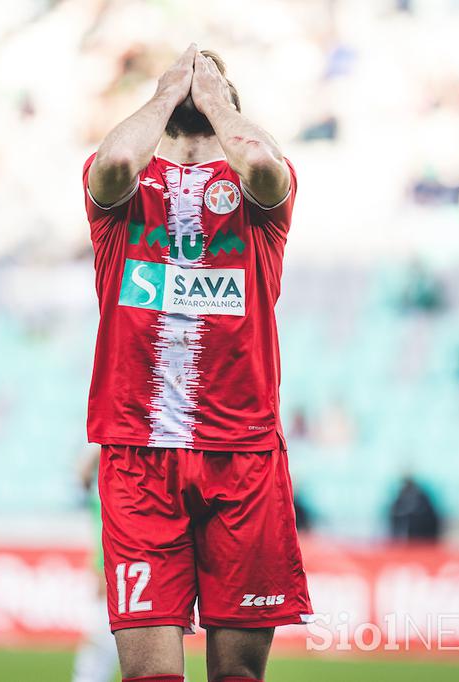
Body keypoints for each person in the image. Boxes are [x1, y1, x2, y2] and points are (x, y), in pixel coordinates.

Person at [83, 44, 312, 682]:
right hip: (139, 452)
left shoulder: (257, 198)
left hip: (241, 453)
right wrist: (165, 95)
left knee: (238, 676)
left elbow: (263, 158)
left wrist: (212, 97)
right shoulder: (121, 193)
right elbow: (121, 156)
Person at [71, 445, 120, 682]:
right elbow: (82, 470)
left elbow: (82, 471)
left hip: (121, 575)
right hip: (108, 576)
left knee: (97, 657)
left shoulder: (110, 493)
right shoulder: (104, 493)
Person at [388, 475, 442, 543]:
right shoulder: (401, 497)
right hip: (411, 537)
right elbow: (394, 515)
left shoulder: (421, 496)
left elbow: (431, 517)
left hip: (424, 535)